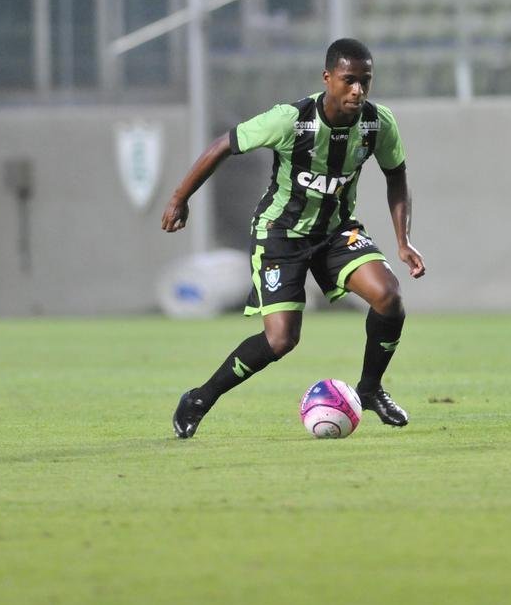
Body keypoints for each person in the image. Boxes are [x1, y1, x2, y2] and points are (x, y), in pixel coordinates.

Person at [163, 38, 426, 439]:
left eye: (365, 81)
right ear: (328, 79)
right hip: (280, 235)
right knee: (281, 340)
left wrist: (403, 240)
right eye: (349, 80)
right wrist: (180, 199)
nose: (358, 90)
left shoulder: (377, 123)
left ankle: (369, 390)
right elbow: (223, 145)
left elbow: (397, 176)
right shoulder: (291, 120)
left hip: (337, 231)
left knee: (389, 297)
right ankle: (200, 398)